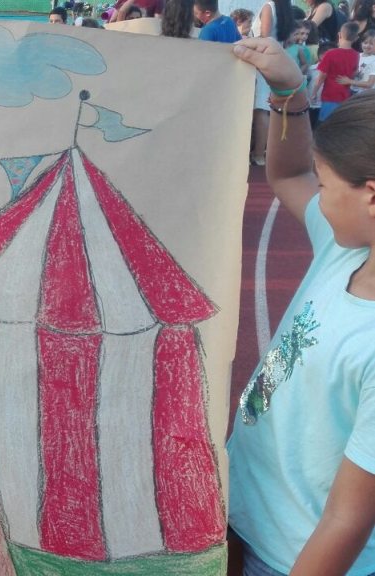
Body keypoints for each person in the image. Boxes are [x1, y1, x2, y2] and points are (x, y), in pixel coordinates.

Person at [230, 34, 375, 576]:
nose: (318, 193)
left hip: (288, 557)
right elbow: (289, 174)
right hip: (242, 511)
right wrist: (288, 92)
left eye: (327, 182)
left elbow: (347, 520)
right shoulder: (346, 250)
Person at [249, 0, 294, 166]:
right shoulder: (285, 9)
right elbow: (286, 40)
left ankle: (259, 154)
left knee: (261, 109)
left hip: (263, 61)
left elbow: (264, 37)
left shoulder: (269, 7)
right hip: (276, 60)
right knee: (268, 109)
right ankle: (263, 152)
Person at [311, 21, 361, 121]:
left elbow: (321, 77)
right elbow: (353, 74)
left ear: (339, 34)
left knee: (325, 123)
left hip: (330, 95)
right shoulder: (356, 55)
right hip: (345, 95)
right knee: (338, 123)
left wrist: (314, 93)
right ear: (356, 38)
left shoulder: (330, 54)